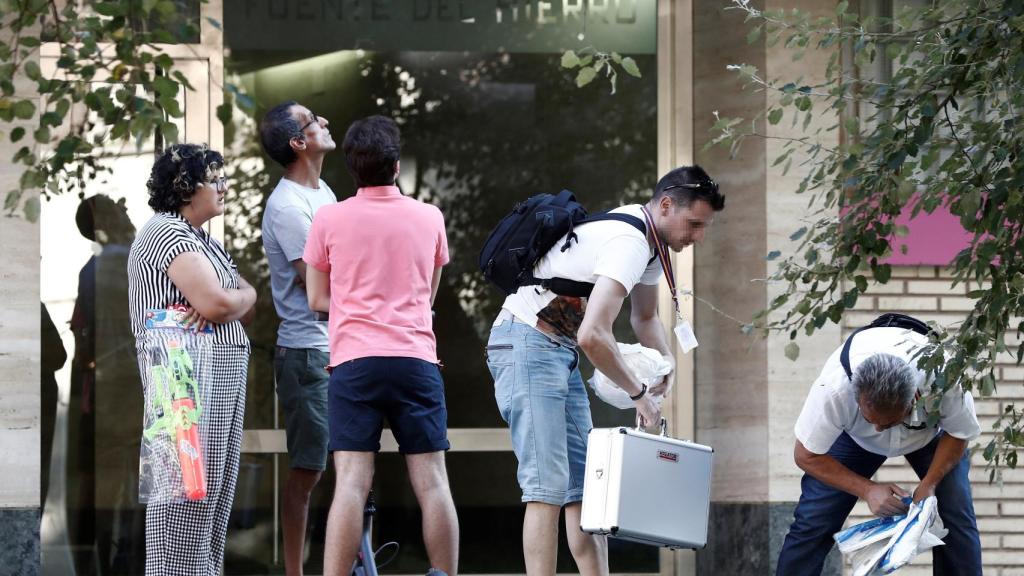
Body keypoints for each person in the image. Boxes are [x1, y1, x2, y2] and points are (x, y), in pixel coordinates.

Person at [485, 166, 724, 575]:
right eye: (694, 224)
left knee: (585, 489)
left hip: (558, 351)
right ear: (667, 205)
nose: (698, 237)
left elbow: (644, 318)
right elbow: (593, 335)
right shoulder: (629, 242)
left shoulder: (652, 244)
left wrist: (665, 363)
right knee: (547, 486)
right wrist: (638, 395)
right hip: (526, 342)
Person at [303, 115, 459, 576]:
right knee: (433, 482)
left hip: (354, 362)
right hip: (415, 360)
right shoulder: (429, 217)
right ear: (395, 166)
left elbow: (316, 299)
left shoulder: (329, 218)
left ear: (352, 168)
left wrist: (356, 303)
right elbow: (426, 297)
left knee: (351, 483)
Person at [127, 143, 257, 575]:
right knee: (186, 495)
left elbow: (245, 302)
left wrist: (236, 297)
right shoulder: (166, 232)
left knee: (212, 497)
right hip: (184, 385)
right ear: (186, 187)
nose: (224, 187)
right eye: (215, 179)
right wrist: (228, 300)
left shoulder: (205, 242)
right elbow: (220, 304)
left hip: (214, 379)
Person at [776, 322, 983, 575]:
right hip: (854, 439)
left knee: (956, 518)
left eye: (889, 422)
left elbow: (959, 433)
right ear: (856, 397)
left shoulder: (943, 378)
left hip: (927, 436)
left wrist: (930, 483)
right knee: (813, 522)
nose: (878, 429)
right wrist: (867, 489)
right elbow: (805, 455)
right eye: (870, 419)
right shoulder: (834, 388)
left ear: (913, 399)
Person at [259, 100, 337, 576]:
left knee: (351, 467)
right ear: (298, 142)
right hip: (308, 352)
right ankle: (295, 571)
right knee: (308, 471)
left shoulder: (323, 192)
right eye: (313, 120)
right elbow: (318, 288)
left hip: (336, 347)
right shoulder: (288, 207)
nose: (324, 122)